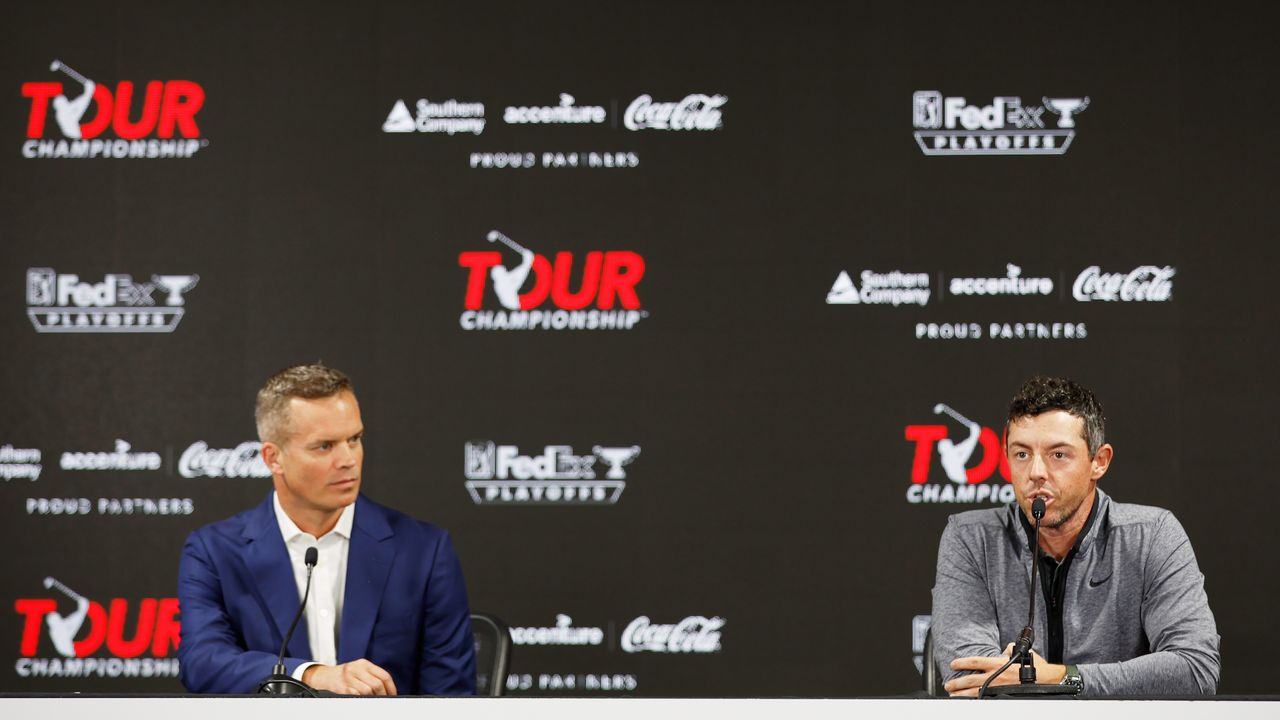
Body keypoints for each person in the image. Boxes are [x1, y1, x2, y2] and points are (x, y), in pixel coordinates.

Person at [178, 364, 476, 695]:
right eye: (325, 446)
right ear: (273, 458)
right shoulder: (214, 552)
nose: (348, 459)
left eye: (354, 439)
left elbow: (450, 698)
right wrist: (310, 674)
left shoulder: (424, 550)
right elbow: (203, 663)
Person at [930, 376, 1219, 697]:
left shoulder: (1152, 535)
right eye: (1022, 454)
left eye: (1058, 455)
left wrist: (1062, 676)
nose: (1036, 472)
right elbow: (970, 675)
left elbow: (1195, 669)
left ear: (1099, 461)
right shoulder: (971, 538)